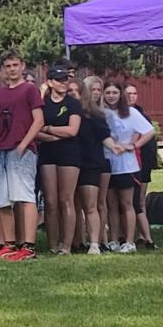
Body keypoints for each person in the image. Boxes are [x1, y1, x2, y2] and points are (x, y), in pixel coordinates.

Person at [0, 50, 45, 262]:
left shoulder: (30, 90)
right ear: (2, 69)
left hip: (22, 149)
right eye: (8, 66)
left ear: (22, 66)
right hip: (0, 149)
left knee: (25, 197)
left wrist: (24, 144)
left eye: (15, 65)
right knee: (1, 200)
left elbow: (39, 120)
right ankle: (8, 244)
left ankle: (28, 246)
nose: (12, 69)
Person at [35, 64, 83, 254]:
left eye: (65, 80)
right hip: (48, 152)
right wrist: (52, 136)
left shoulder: (73, 103)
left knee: (66, 199)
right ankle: (52, 244)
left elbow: (72, 130)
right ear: (49, 82)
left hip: (69, 153)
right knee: (50, 201)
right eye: (59, 80)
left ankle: (67, 245)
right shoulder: (43, 103)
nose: (63, 83)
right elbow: (36, 129)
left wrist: (49, 129)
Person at [102, 82, 154, 254]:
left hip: (126, 165)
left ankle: (130, 241)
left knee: (127, 203)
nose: (111, 96)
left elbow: (149, 131)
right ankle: (114, 240)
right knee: (111, 204)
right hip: (107, 162)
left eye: (114, 92)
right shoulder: (101, 113)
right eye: (108, 92)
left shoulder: (131, 112)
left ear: (120, 94)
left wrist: (134, 145)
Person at [72, 80, 110, 255]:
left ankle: (95, 243)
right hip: (70, 162)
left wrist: (116, 147)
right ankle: (78, 241)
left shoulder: (93, 115)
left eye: (76, 91)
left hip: (90, 163)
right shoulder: (66, 113)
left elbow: (104, 136)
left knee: (90, 205)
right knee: (74, 205)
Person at [124, 84, 159, 250]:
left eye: (134, 93)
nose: (131, 96)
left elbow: (149, 142)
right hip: (126, 163)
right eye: (128, 93)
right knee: (126, 202)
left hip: (141, 163)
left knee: (139, 201)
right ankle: (129, 235)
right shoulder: (117, 114)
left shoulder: (141, 115)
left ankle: (145, 237)